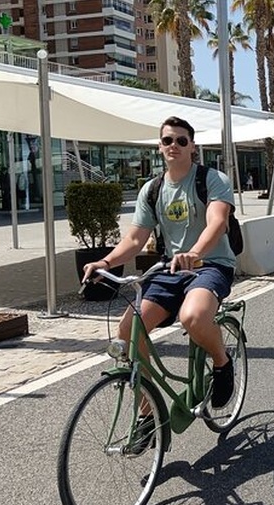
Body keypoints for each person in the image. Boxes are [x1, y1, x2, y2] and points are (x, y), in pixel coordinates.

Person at [81, 116, 237, 409]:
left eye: (181, 140)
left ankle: (222, 362)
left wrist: (194, 253)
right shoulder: (152, 189)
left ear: (192, 146)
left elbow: (217, 222)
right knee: (128, 331)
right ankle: (148, 414)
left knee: (193, 317)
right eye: (168, 140)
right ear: (160, 146)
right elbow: (135, 239)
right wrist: (105, 261)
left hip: (211, 265)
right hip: (170, 268)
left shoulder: (212, 179)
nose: (174, 145)